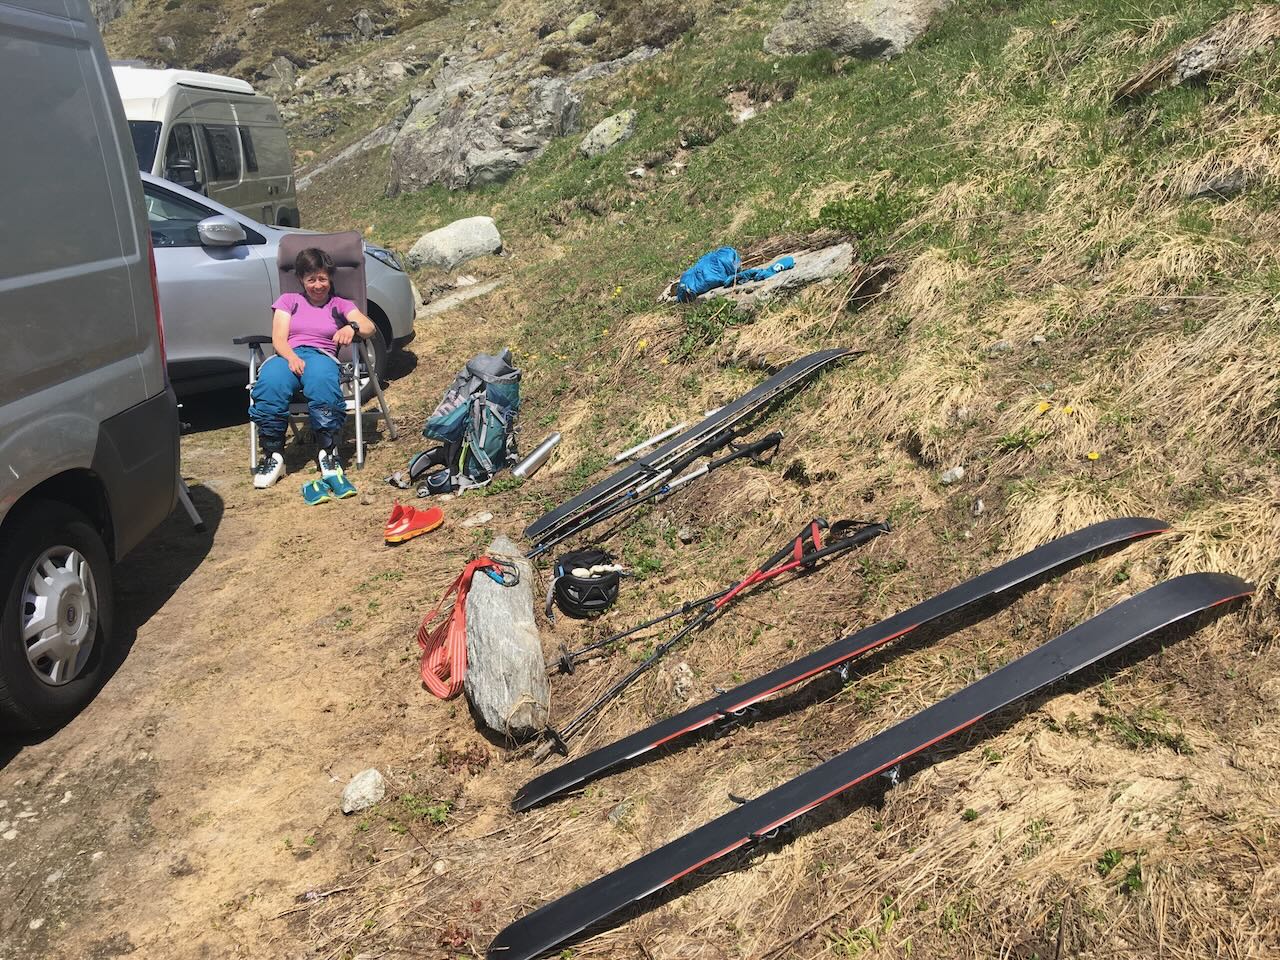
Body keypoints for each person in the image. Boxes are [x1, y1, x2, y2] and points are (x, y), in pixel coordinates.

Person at [250, 247, 376, 490]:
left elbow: (368, 327)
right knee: (270, 383)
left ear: (330, 278)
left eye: (322, 279)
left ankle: (328, 451)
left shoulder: (340, 304)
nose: (318, 285)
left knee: (321, 382)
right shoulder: (289, 301)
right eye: (311, 280)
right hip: (287, 355)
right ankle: (273, 455)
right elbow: (279, 339)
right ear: (301, 279)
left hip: (321, 356)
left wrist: (351, 327)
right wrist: (291, 357)